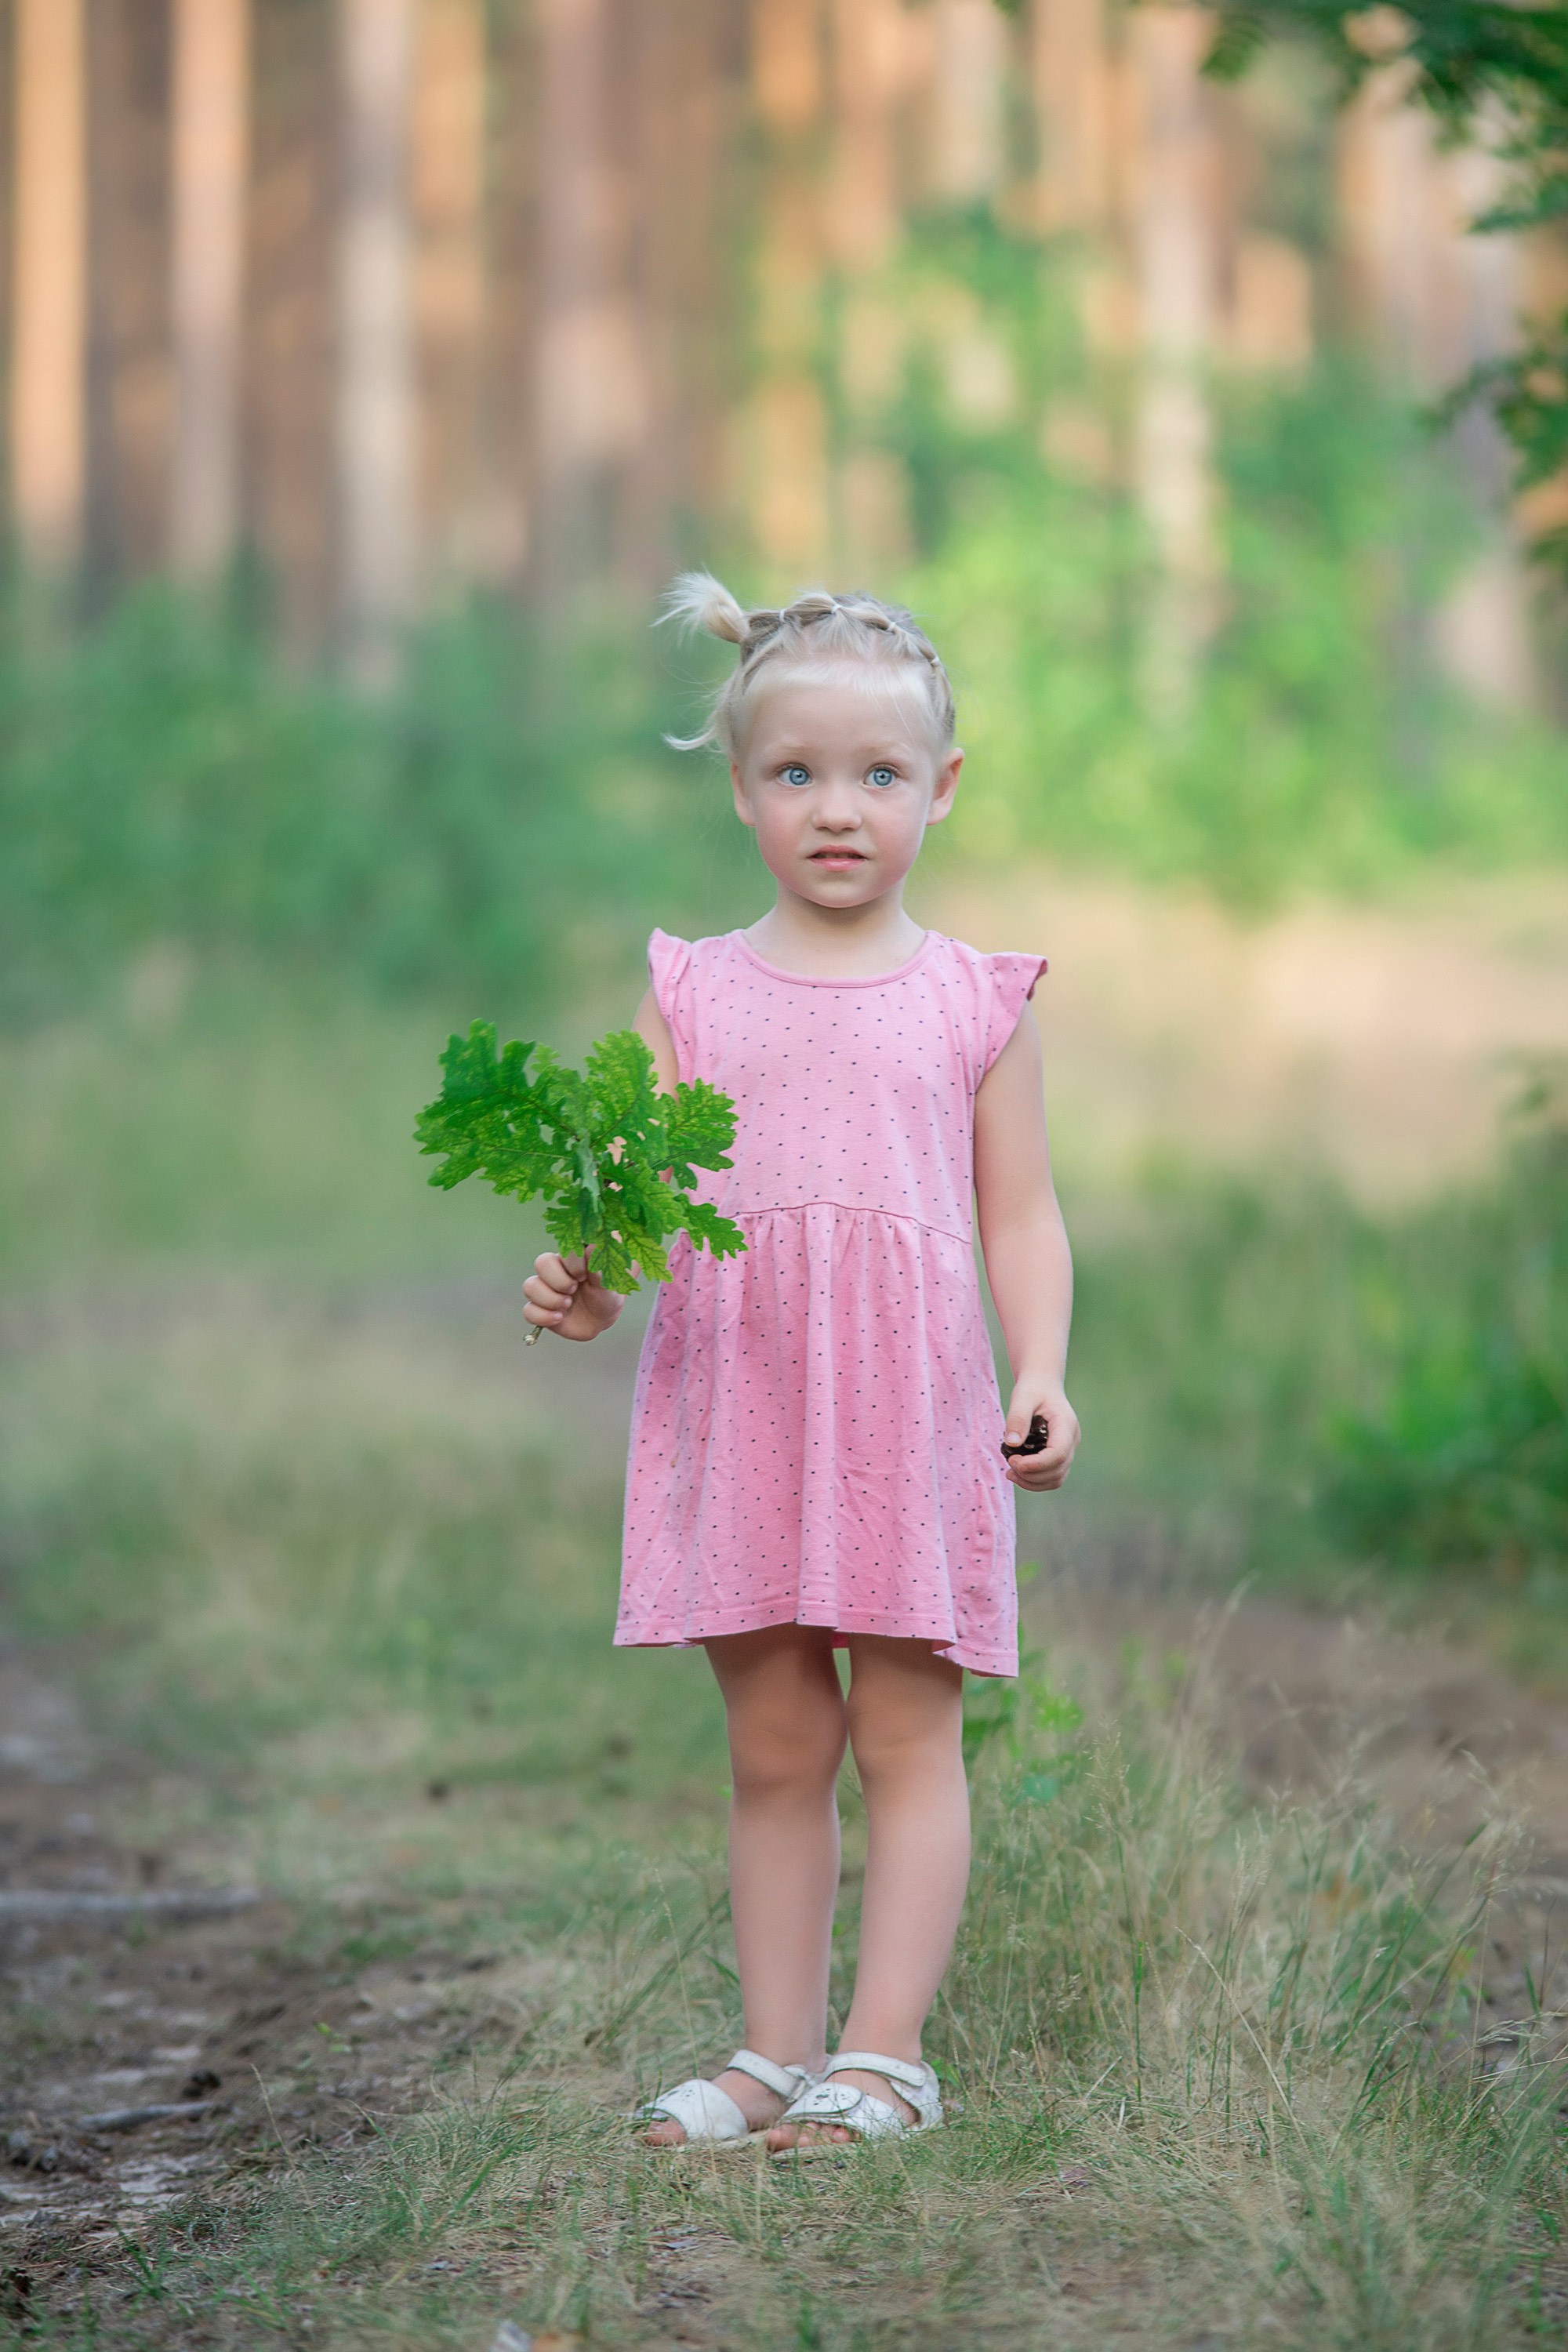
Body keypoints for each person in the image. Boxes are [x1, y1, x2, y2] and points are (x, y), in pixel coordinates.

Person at [523, 576, 1080, 2150]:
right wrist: (586, 1286)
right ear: (740, 788)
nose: (838, 811)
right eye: (797, 775)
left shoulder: (977, 999)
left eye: (878, 776)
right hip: (743, 1398)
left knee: (906, 1730)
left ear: (941, 789)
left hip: (904, 1411)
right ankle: (773, 2051)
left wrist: (1039, 1366)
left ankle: (883, 2054)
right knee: (773, 1744)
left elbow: (1022, 1212)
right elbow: (623, 1207)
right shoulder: (689, 989)